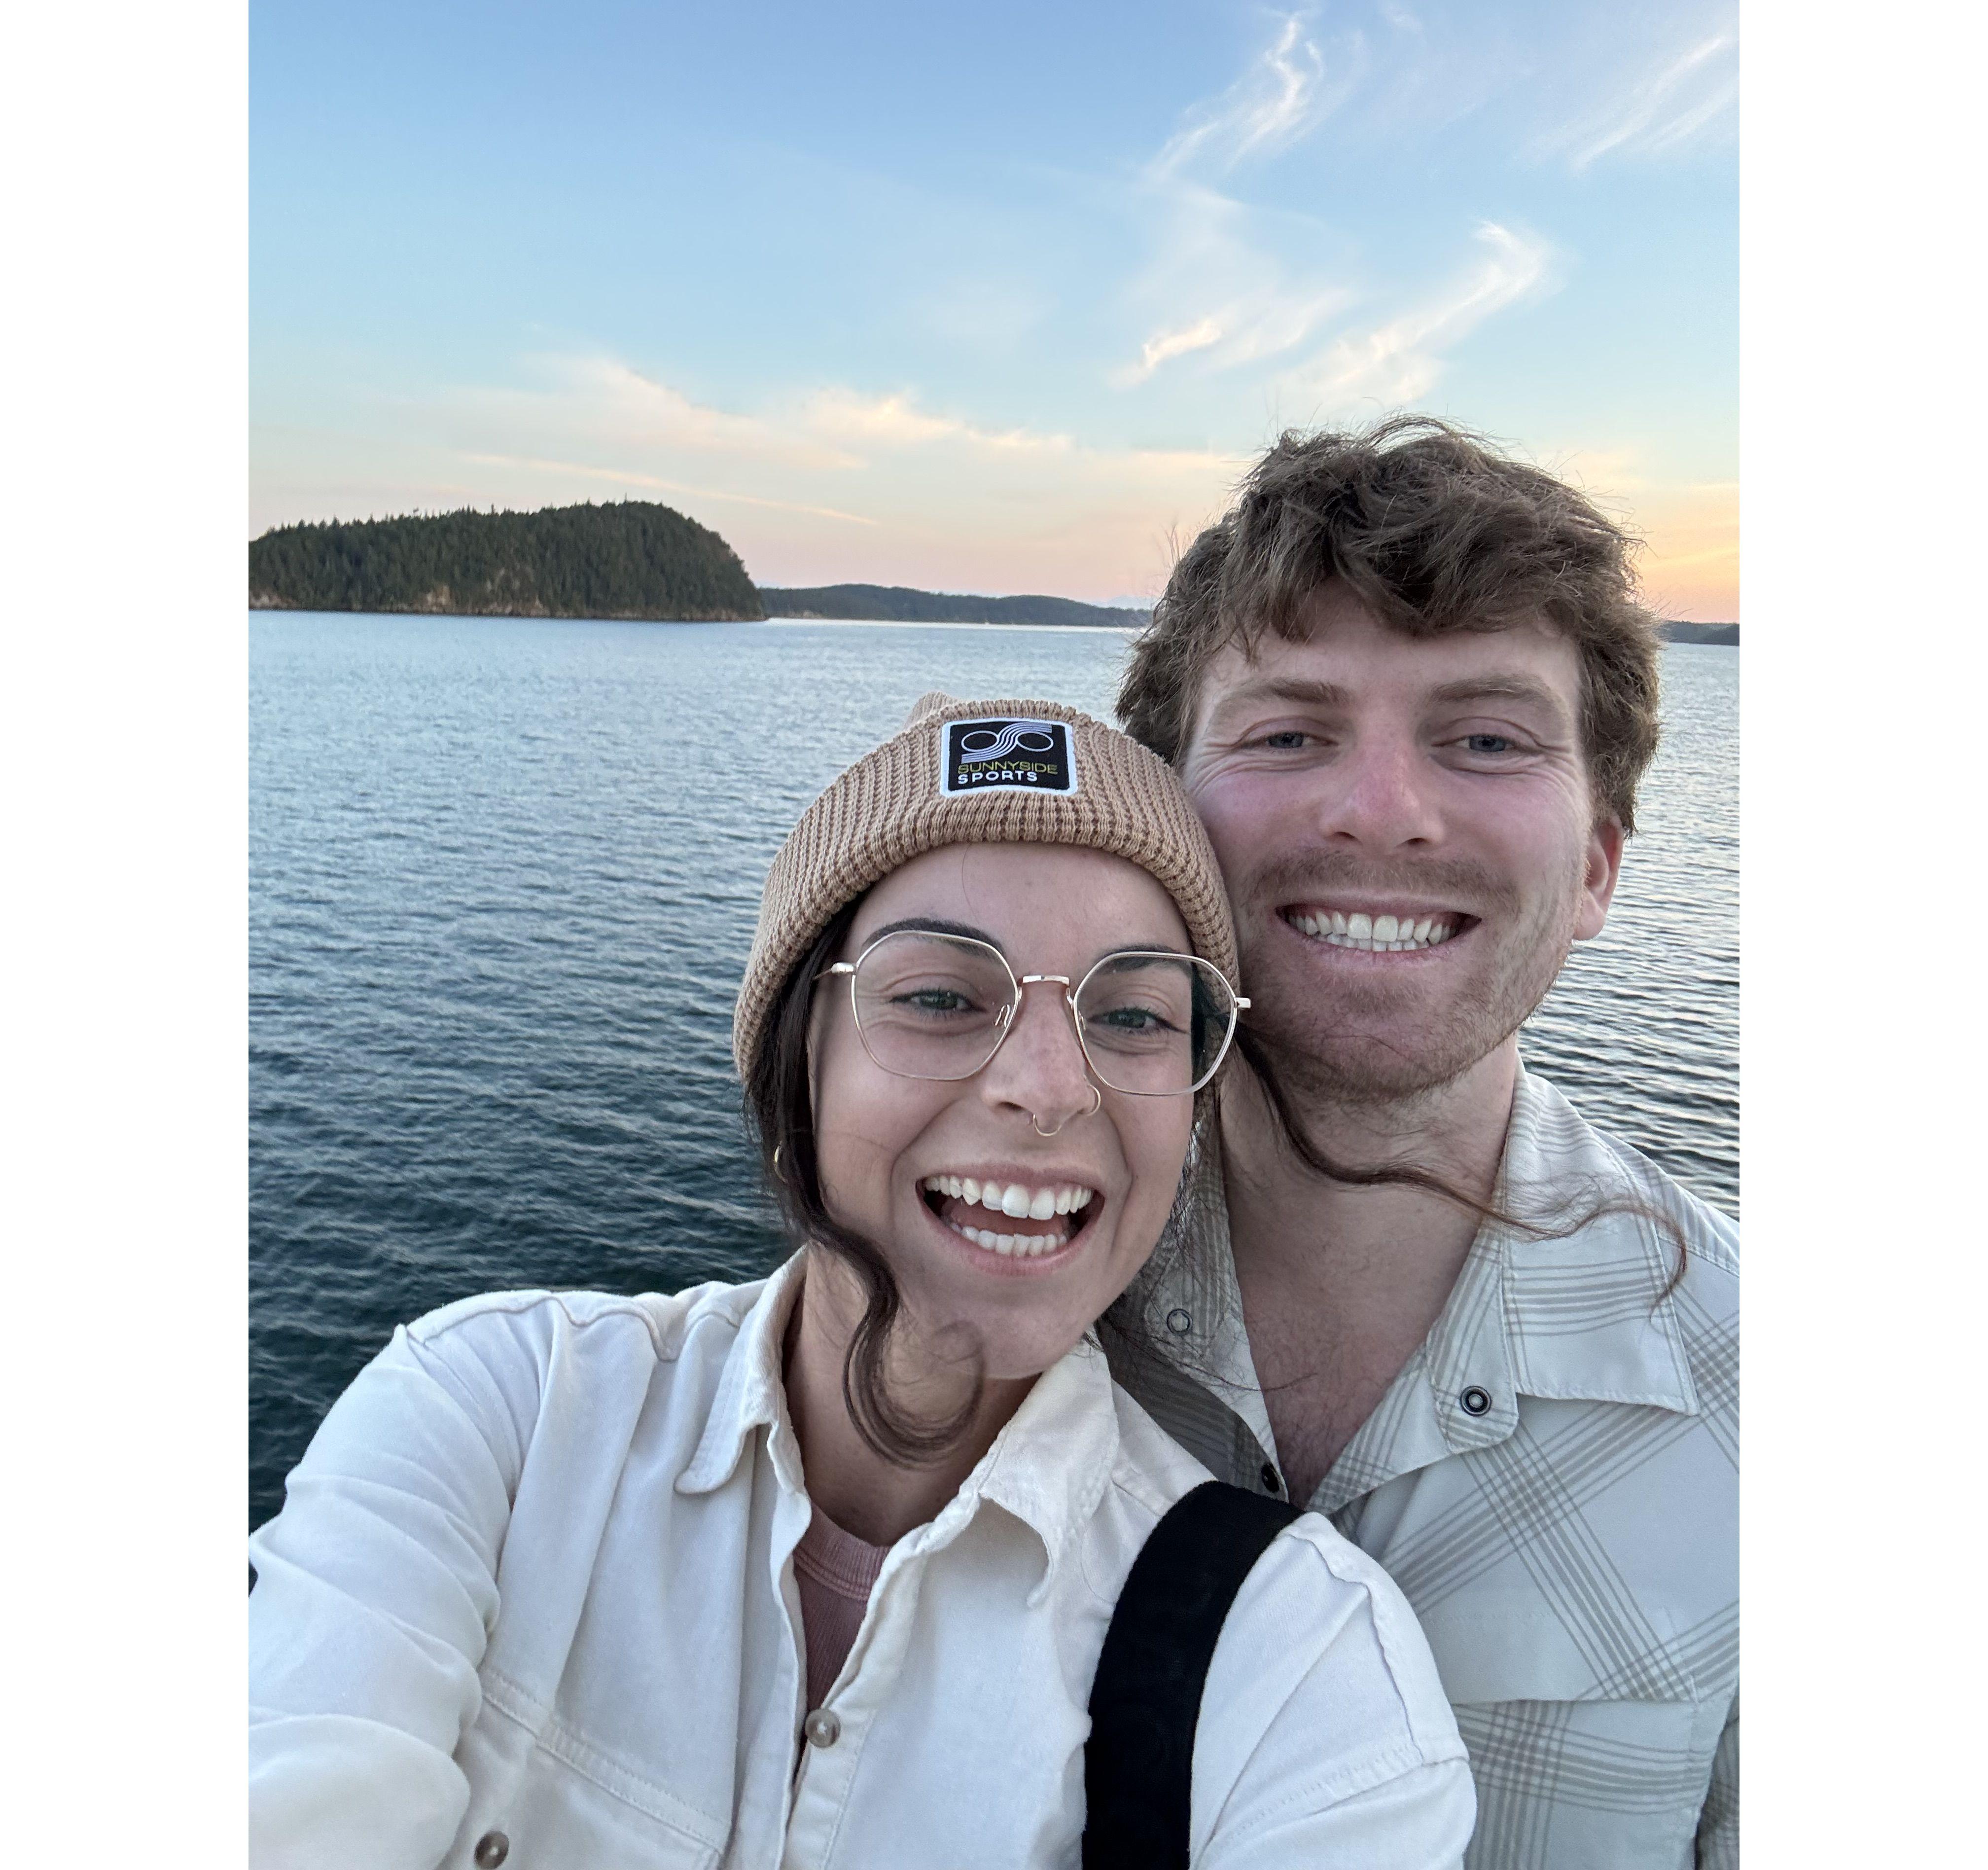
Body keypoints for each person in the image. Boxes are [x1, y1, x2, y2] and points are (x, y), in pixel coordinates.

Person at [248, 692, 1476, 1870]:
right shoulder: (497, 1423)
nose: (1048, 1087)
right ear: (798, 1063)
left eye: (1138, 1016)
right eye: (939, 996)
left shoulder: (1301, 1674)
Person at [1105, 421, 1739, 1870]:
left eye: (1487, 739)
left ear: (1596, 865)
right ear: (1159, 828)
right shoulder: (970, 1295)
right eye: (1287, 732)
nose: (1381, 811)